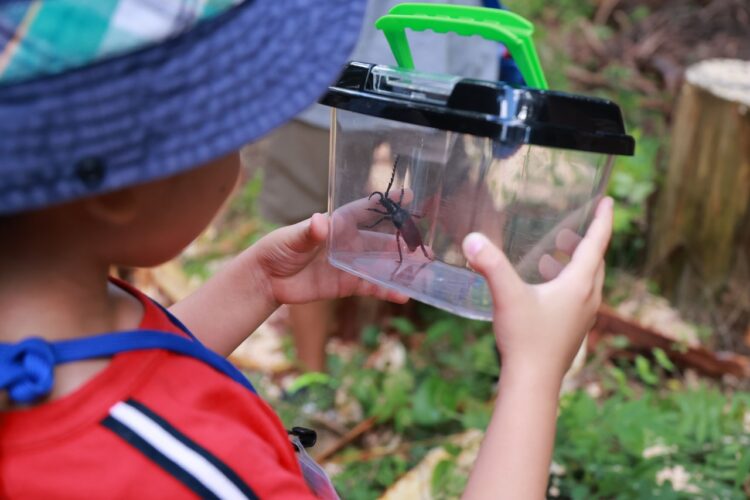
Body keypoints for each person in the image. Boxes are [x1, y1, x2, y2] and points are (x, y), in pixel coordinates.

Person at [0, 1, 613, 498]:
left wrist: (257, 284)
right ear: (125, 185)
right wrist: (534, 374)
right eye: (231, 127)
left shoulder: (59, 324)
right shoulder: (205, 473)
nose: (243, 151)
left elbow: (115, 370)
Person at [250, 0, 508, 372]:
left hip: (402, 58)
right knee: (313, 218)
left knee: (444, 188)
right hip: (413, 55)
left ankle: (315, 371)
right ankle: (316, 372)